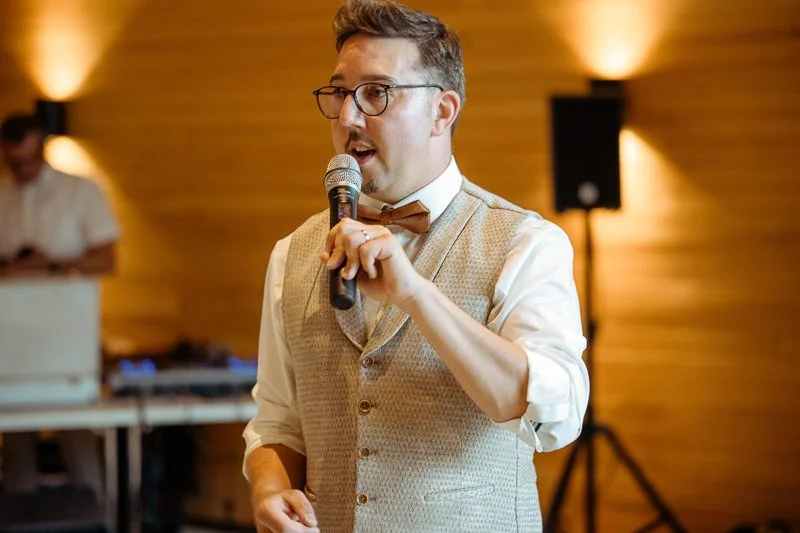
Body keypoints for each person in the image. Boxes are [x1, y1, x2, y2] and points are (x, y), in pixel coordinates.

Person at [242, 1, 589, 531]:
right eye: (340, 93)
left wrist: (417, 296)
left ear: (442, 112)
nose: (348, 118)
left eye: (377, 93)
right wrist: (269, 489)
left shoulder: (526, 242)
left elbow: (555, 417)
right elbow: (277, 421)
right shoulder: (292, 252)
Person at [0, 114, 120, 498]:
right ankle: (19, 512)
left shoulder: (80, 191)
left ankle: (95, 512)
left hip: (67, 339)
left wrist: (51, 265)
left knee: (77, 431)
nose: (22, 169)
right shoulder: (2, 196)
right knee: (15, 442)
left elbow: (107, 259)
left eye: (28, 160)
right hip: (12, 340)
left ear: (42, 147)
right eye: (13, 162)